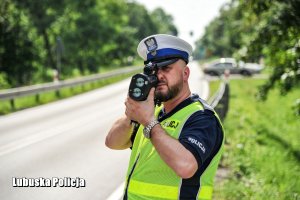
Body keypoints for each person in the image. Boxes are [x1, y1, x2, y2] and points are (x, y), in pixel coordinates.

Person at [105, 34, 225, 200]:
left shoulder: (202, 117)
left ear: (185, 73)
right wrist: (131, 116)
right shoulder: (152, 112)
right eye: (153, 70)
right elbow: (112, 142)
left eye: (166, 68)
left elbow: (185, 166)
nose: (158, 76)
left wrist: (149, 122)